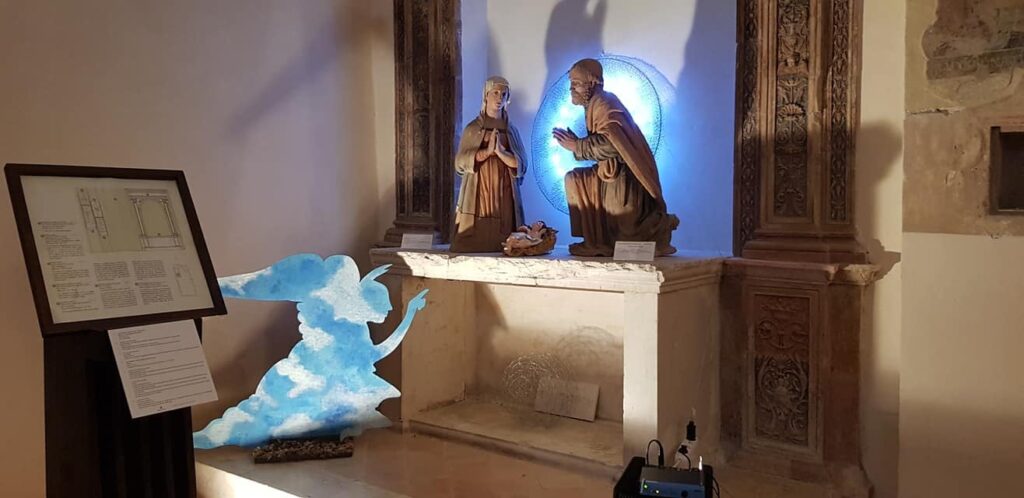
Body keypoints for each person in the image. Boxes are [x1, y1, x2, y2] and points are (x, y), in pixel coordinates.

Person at [553, 58, 678, 257]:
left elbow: (614, 144)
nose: (571, 89)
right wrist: (578, 144)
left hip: (624, 175)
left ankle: (658, 224)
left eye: (576, 83)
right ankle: (594, 241)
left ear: (592, 82)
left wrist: (578, 145)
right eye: (571, 84)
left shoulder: (604, 103)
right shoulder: (593, 105)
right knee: (573, 179)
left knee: (627, 233)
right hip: (608, 172)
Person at [451, 76, 528, 253]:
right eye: (495, 93)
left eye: (503, 94)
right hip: (478, 189)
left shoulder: (511, 130)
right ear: (486, 95)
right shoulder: (473, 129)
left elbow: (522, 165)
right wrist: (485, 152)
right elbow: (460, 163)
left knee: (504, 226)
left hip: (504, 190)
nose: (499, 97)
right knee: (476, 229)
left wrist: (501, 153)